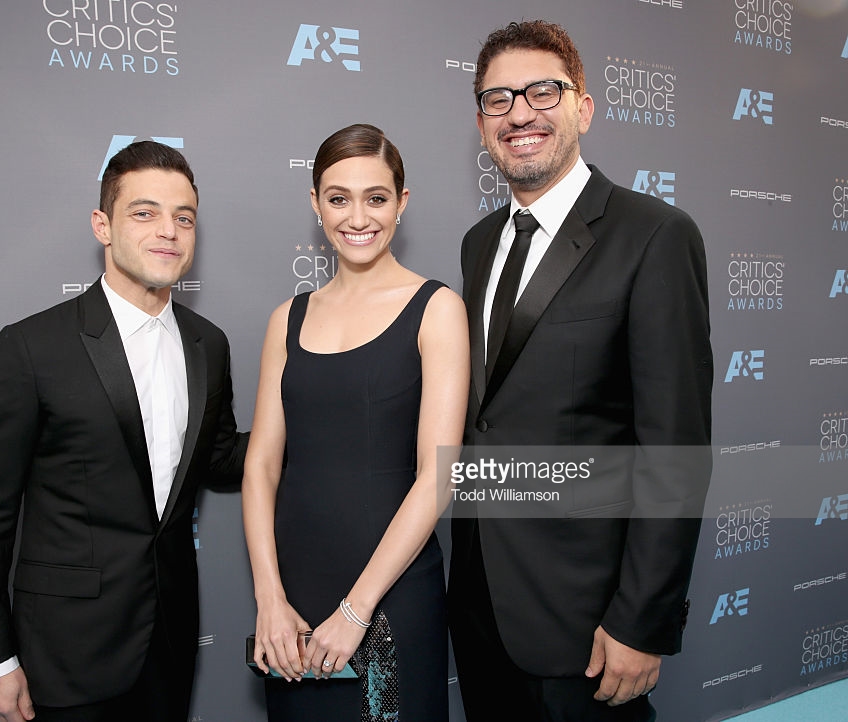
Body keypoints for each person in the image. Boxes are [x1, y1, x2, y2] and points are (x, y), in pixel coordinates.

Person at [448, 20, 712, 722]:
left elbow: (675, 447)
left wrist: (641, 620)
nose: (521, 113)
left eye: (543, 90)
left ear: (583, 108)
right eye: (498, 99)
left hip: (590, 622)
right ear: (481, 125)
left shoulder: (654, 235)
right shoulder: (478, 245)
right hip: (479, 608)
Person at [0, 140, 247, 722]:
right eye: (145, 212)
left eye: (183, 218)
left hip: (169, 643)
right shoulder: (32, 347)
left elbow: (218, 458)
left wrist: (318, 426)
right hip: (64, 655)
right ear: (102, 225)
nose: (169, 231)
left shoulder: (208, 344)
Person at [242, 123, 469, 722]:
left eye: (376, 197)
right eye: (338, 197)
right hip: (293, 600)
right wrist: (269, 597)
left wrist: (356, 609)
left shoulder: (437, 309)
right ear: (315, 204)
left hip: (392, 596)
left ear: (402, 203)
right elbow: (262, 466)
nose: (357, 216)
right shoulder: (285, 320)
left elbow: (436, 478)